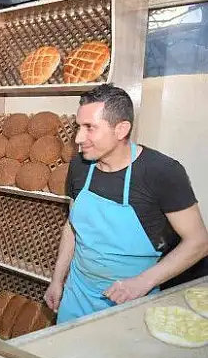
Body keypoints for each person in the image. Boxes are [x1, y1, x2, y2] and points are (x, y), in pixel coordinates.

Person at [44, 84, 208, 324]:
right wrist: (58, 280)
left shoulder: (161, 173)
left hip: (131, 300)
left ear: (121, 129)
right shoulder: (80, 166)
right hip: (77, 296)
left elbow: (199, 243)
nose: (79, 138)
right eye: (79, 127)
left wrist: (143, 282)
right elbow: (73, 226)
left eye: (90, 128)